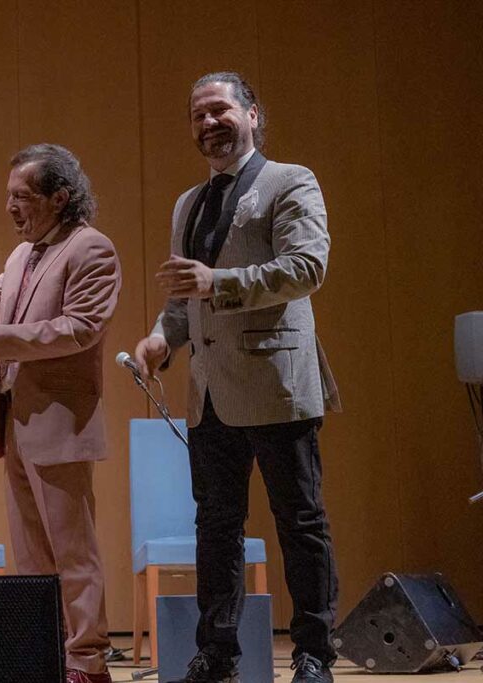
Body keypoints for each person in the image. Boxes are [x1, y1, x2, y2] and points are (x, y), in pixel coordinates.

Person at [134, 71, 340, 683]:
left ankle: (313, 654)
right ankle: (218, 653)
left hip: (277, 382)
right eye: (197, 115)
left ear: (253, 113)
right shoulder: (187, 203)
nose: (207, 124)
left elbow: (307, 267)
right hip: (210, 394)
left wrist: (216, 284)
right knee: (216, 527)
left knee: (299, 522)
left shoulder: (290, 181)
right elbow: (182, 296)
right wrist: (159, 338)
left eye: (219, 110)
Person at [0, 143, 121, 683]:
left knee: (72, 552)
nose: (10, 207)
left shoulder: (92, 249)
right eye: (8, 197)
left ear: (59, 197)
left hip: (61, 424)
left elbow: (79, 328)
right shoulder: (21, 255)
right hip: (17, 422)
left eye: (21, 197)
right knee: (30, 555)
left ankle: (88, 662)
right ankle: (46, 654)